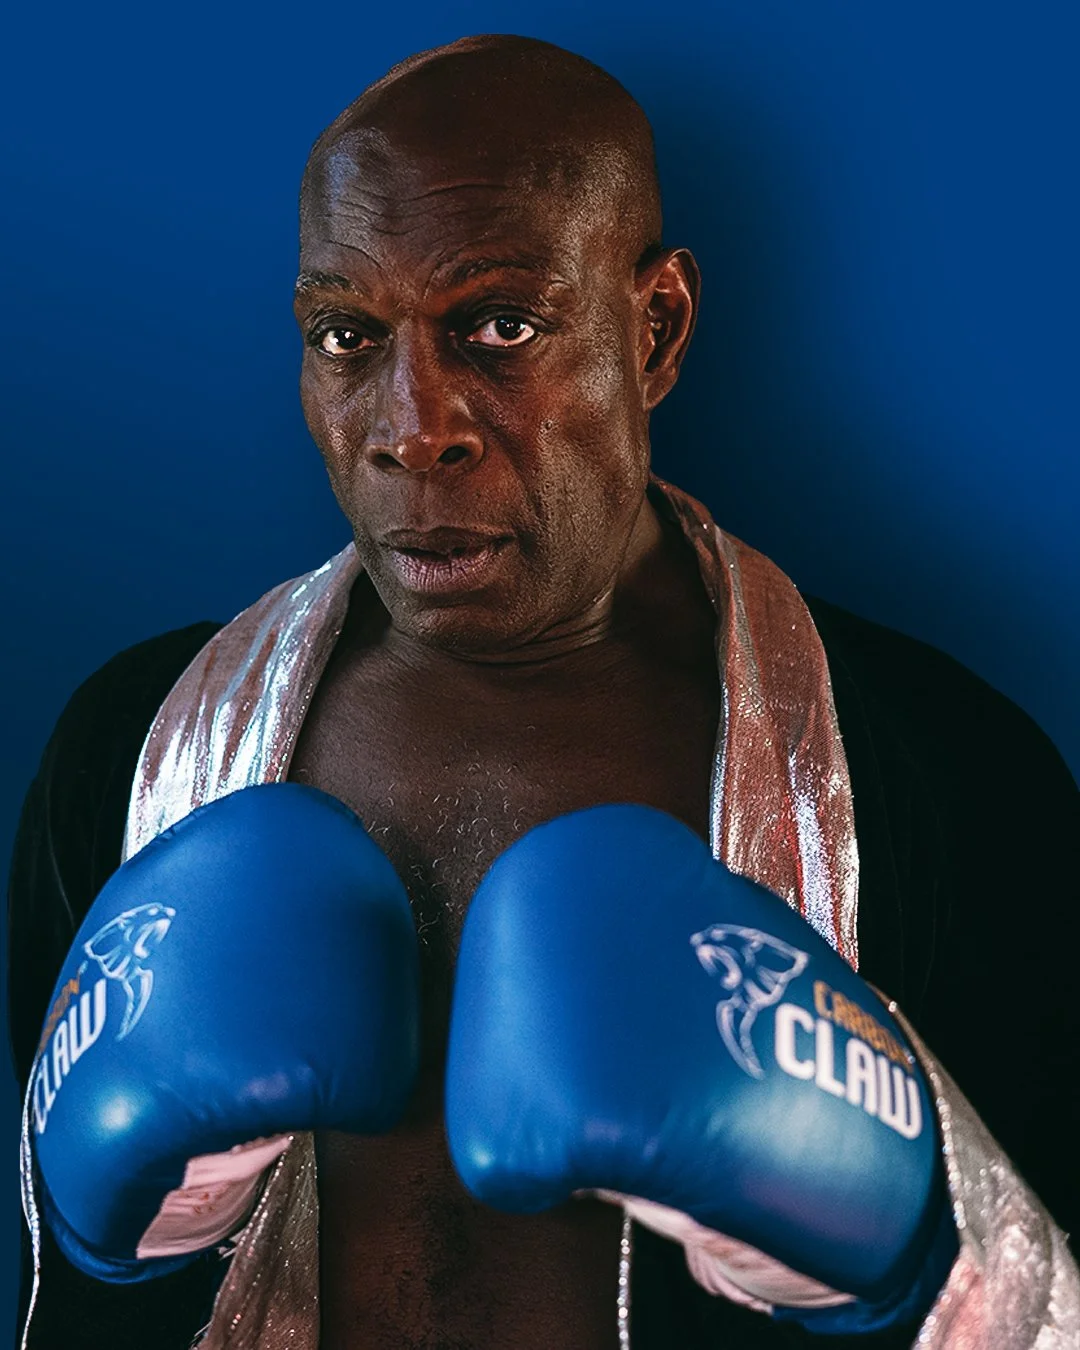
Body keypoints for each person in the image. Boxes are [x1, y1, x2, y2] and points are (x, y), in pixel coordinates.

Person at [8, 33, 1079, 1350]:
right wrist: (125, 1245)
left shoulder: (946, 776)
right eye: (347, 335)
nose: (413, 422)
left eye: (498, 326)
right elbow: (62, 1296)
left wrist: (918, 1242)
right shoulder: (134, 752)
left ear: (657, 329)